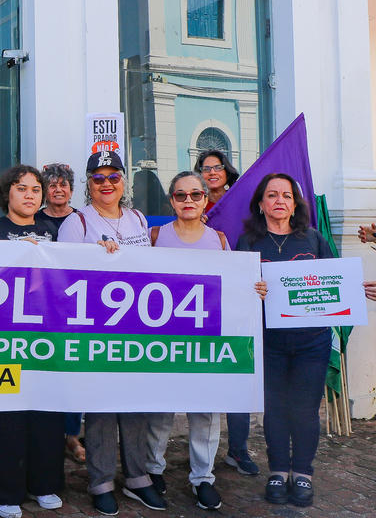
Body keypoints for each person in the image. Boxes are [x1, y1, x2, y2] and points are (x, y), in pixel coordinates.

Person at [237, 173, 376, 507]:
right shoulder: (247, 243)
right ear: (260, 204)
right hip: (268, 341)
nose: (279, 201)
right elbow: (235, 291)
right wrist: (251, 289)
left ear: (295, 203)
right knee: (275, 409)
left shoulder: (314, 240)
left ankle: (302, 473)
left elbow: (336, 285)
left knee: (304, 409)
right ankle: (277, 471)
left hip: (311, 343)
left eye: (286, 195)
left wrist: (361, 291)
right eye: (271, 195)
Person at [145, 171, 264, 511]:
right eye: (180, 195)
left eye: (195, 195)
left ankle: (202, 477)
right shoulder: (154, 236)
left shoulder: (220, 241)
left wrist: (254, 289)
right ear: (171, 201)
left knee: (205, 413)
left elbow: (236, 287)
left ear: (204, 199)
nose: (188, 201)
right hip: (163, 339)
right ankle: (154, 470)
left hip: (206, 340)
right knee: (160, 410)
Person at [57, 151, 165, 516]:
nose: (106, 183)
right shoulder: (77, 223)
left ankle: (137, 478)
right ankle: (101, 480)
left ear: (124, 181)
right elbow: (64, 275)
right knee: (101, 410)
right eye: (98, 178)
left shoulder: (137, 218)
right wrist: (97, 257)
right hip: (96, 330)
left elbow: (148, 268)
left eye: (113, 176)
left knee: (134, 405)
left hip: (135, 327)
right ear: (89, 184)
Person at [0, 165, 64, 518]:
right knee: (5, 416)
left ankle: (44, 484)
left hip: (47, 337)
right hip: (4, 336)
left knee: (45, 413)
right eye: (21, 188)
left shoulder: (55, 231)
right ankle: (5, 491)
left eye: (35, 189)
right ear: (6, 193)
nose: (29, 195)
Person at [192, 150, 255, 475]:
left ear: (227, 171)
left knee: (237, 374)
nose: (212, 172)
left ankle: (238, 449)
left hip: (237, 292)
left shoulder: (242, 202)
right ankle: (202, 455)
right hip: (202, 298)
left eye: (217, 167)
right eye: (206, 168)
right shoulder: (193, 203)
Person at [35, 163, 85, 463]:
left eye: (63, 184)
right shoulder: (33, 219)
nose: (58, 189)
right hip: (40, 309)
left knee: (71, 375)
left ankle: (72, 435)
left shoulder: (82, 221)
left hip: (74, 310)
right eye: (52, 185)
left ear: (71, 189)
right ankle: (47, 432)